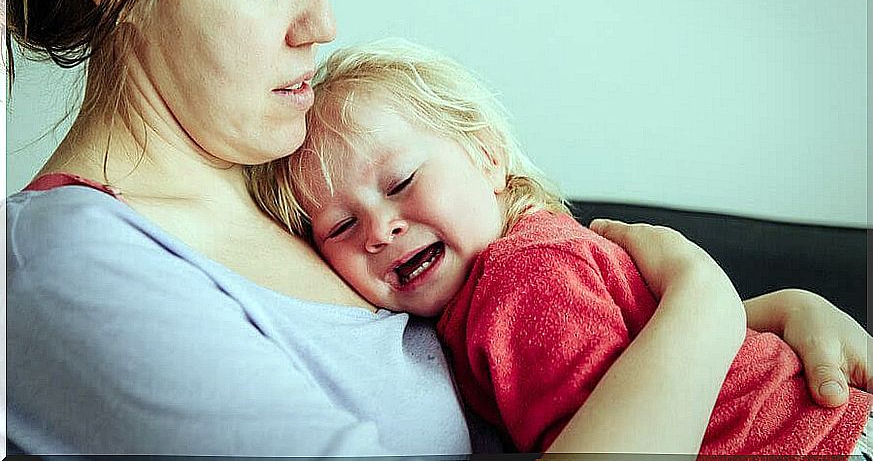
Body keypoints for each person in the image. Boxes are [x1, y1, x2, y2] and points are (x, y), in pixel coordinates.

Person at [4, 0, 869, 456]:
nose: (321, 23)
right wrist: (703, 306)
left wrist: (774, 318)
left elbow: (578, 344)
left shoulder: (281, 184)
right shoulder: (73, 266)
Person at [250, 41, 872, 455]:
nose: (381, 229)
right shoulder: (482, 298)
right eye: (340, 228)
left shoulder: (524, 275)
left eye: (402, 183)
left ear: (488, 157)